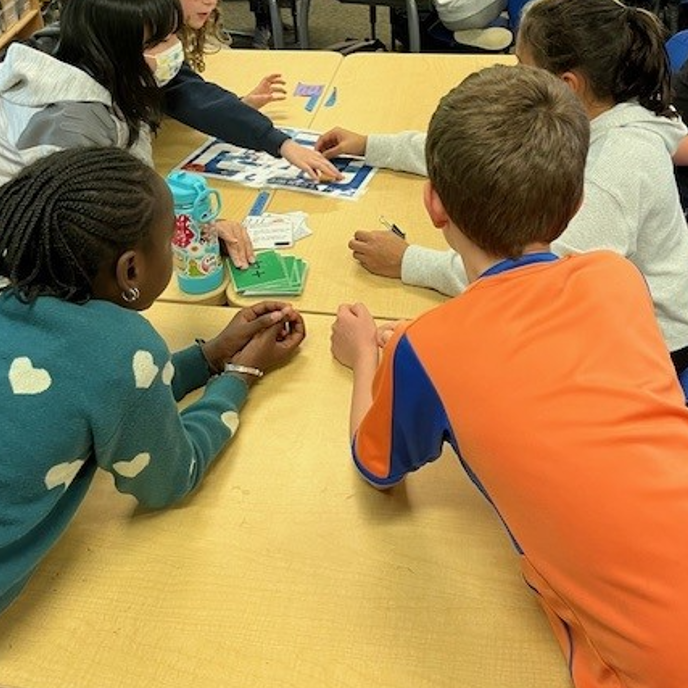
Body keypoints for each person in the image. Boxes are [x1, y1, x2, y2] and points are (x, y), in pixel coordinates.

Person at [331, 63, 688, 688]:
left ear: (433, 204)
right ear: (575, 204)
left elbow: (376, 466)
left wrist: (366, 354)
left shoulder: (430, 344)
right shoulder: (615, 277)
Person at [317, 0, 688, 390]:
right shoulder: (601, 113)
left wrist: (408, 261)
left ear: (565, 86)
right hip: (599, 319)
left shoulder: (615, 169)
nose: (514, 77)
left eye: (522, 67)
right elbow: (475, 150)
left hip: (650, 352)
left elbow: (524, 284)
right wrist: (370, 145)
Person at [0, 146, 306, 615]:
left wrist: (209, 357)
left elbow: (106, 391)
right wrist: (241, 376)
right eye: (169, 242)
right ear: (131, 271)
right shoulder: (120, 346)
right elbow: (169, 479)